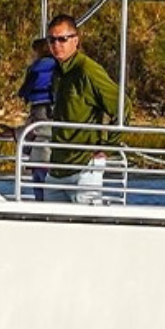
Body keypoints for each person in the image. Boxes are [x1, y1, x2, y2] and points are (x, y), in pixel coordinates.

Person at [42, 14, 120, 204]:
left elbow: (122, 106)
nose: (56, 44)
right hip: (58, 167)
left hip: (85, 167)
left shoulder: (88, 70)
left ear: (75, 40)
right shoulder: (57, 72)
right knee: (49, 226)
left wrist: (107, 146)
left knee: (87, 227)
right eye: (52, 39)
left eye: (62, 39)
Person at [15, 36, 57, 199]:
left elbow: (26, 88)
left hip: (40, 109)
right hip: (49, 109)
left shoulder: (36, 68)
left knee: (40, 188)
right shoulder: (57, 68)